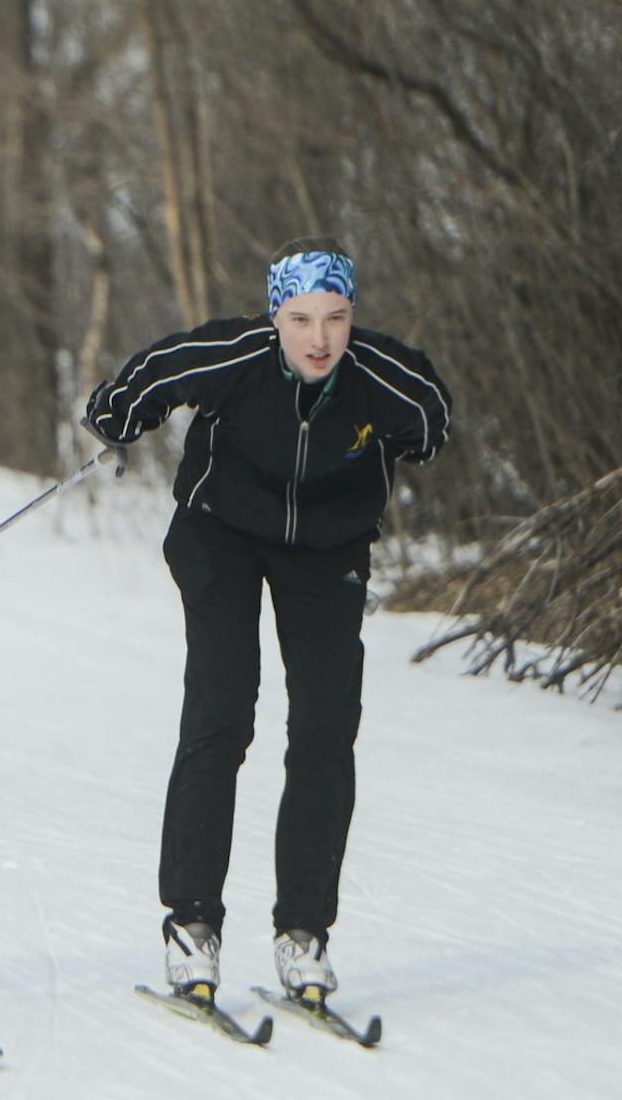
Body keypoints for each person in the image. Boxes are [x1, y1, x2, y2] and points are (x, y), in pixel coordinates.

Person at [80, 238, 451, 1007]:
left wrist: (388, 448)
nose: (320, 338)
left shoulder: (379, 375)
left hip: (326, 550)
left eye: (336, 318)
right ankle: (191, 925)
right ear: (276, 315)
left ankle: (304, 936)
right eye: (302, 318)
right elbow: (156, 372)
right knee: (223, 714)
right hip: (221, 533)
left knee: (323, 727)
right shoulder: (238, 354)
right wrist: (119, 415)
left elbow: (430, 418)